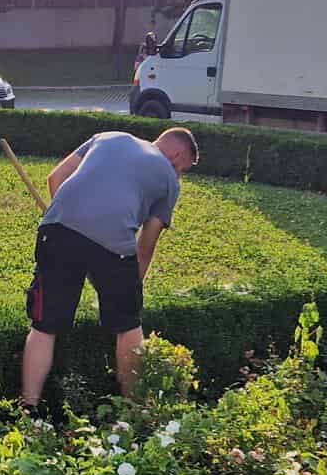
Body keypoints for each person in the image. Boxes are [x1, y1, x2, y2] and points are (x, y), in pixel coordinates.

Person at [21, 127, 199, 409]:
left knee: (43, 327)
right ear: (176, 154)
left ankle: (28, 409)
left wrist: (68, 222)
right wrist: (130, 290)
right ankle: (132, 411)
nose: (178, 174)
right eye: (181, 168)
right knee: (128, 326)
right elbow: (146, 244)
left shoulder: (107, 136)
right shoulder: (168, 180)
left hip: (56, 230)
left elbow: (55, 177)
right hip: (114, 246)